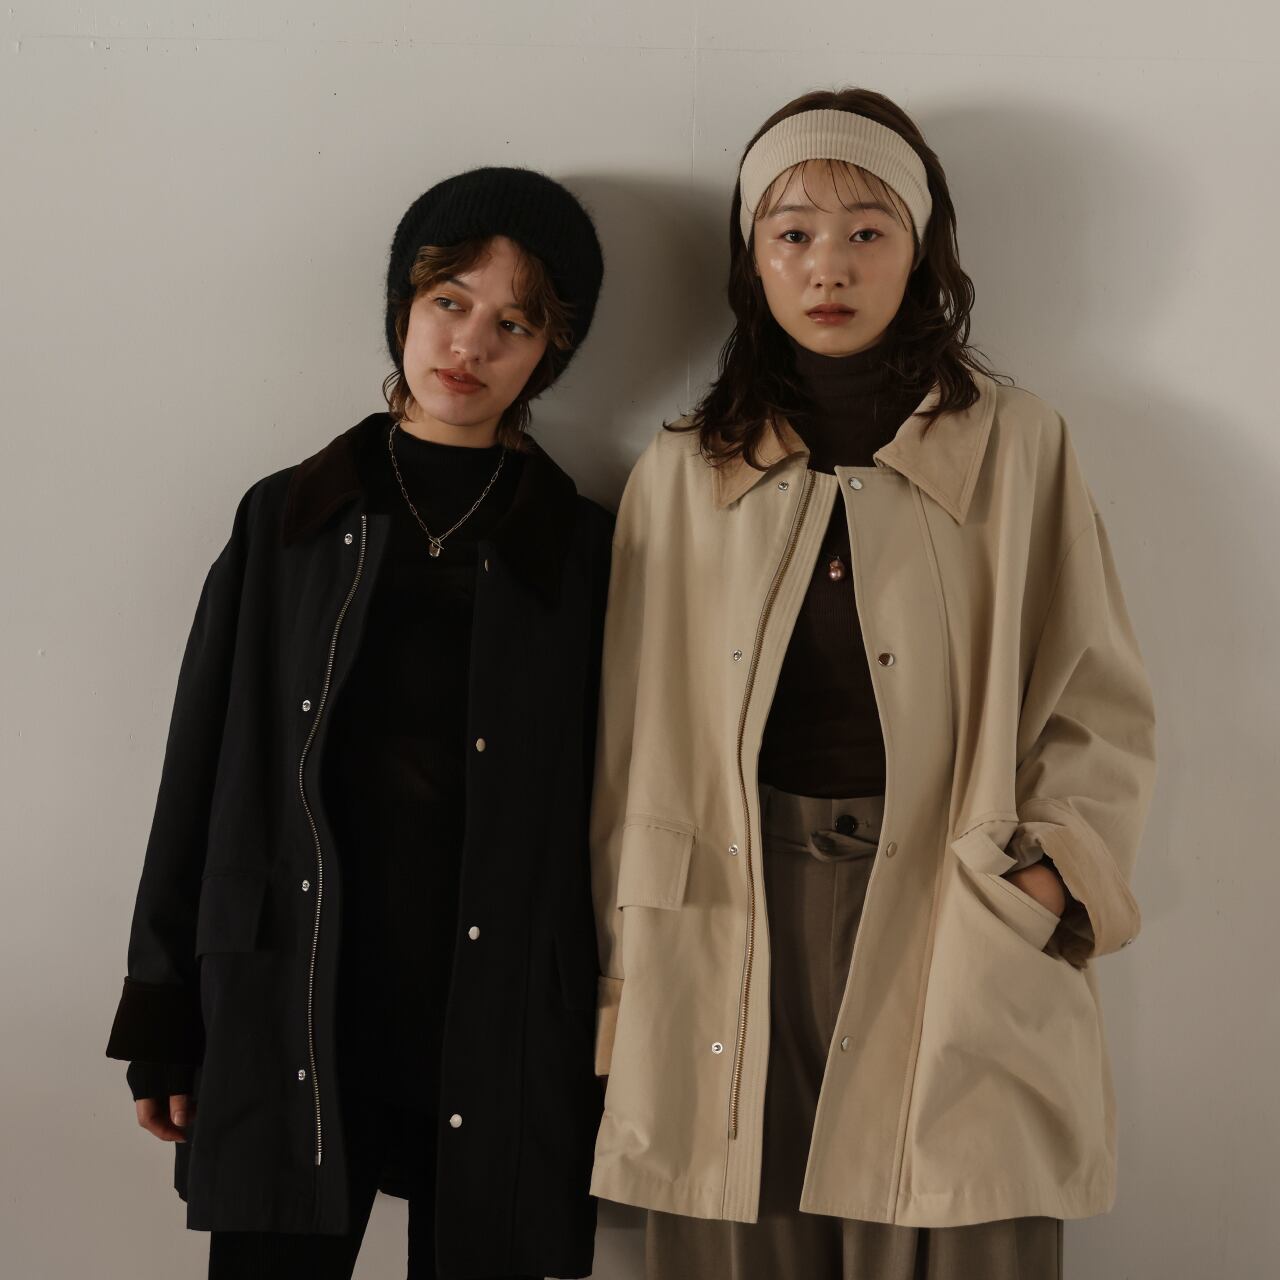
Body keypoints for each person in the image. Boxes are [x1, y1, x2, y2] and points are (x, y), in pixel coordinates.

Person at [587, 89, 1157, 1280]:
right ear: (751, 258)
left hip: (958, 896)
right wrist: (617, 957)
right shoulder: (682, 472)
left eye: (866, 229)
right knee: (736, 1221)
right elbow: (624, 744)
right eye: (790, 230)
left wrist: (1050, 875)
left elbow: (1095, 696)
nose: (827, 264)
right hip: (726, 906)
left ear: (921, 248)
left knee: (966, 1216)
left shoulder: (1018, 445)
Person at [105, 166, 612, 1280]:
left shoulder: (580, 551)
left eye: (514, 323)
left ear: (547, 354)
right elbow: (202, 771)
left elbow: (614, 805)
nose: (469, 344)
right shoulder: (288, 517)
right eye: (448, 301)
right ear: (403, 305)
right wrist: (164, 1011)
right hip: (291, 996)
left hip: (495, 1016)